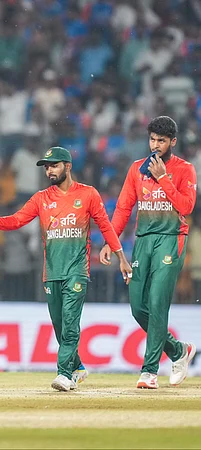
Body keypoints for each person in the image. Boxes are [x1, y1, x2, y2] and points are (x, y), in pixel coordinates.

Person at [0, 146, 133, 391]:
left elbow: (106, 226)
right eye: (46, 167)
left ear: (67, 166)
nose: (49, 171)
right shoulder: (41, 198)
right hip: (51, 272)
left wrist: (121, 256)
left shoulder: (88, 194)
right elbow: (17, 220)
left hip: (77, 270)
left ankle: (64, 373)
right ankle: (77, 367)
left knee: (69, 322)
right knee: (59, 325)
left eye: (54, 165)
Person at [100, 116, 197, 389]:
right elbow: (122, 209)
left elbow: (186, 207)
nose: (155, 145)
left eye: (161, 141)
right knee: (137, 306)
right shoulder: (135, 169)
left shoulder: (185, 169)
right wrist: (111, 240)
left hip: (171, 239)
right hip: (142, 240)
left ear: (173, 142)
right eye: (152, 139)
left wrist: (163, 179)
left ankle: (149, 371)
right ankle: (178, 351)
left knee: (156, 303)